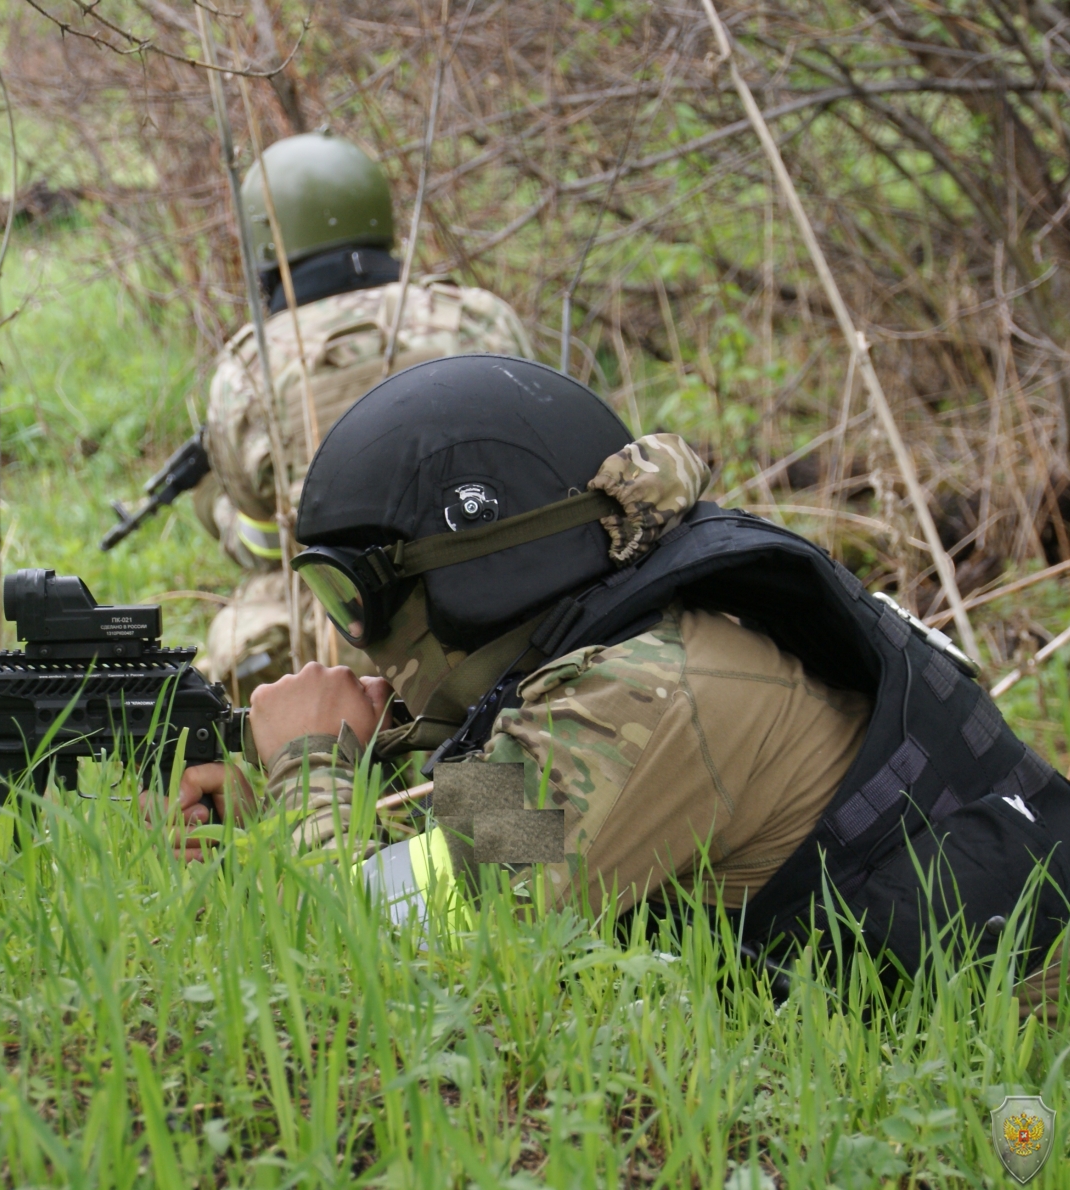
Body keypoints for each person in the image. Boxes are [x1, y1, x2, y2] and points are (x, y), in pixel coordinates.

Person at [159, 354, 1070, 980]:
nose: (353, 633)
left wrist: (308, 767)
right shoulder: (636, 649)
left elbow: (401, 945)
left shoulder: (644, 693)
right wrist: (317, 797)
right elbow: (477, 828)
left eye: (352, 595)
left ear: (478, 575)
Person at [193, 131, 533, 699]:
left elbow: (264, 545)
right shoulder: (475, 319)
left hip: (351, 638)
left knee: (259, 603)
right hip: (509, 604)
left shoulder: (248, 369)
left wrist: (210, 502)